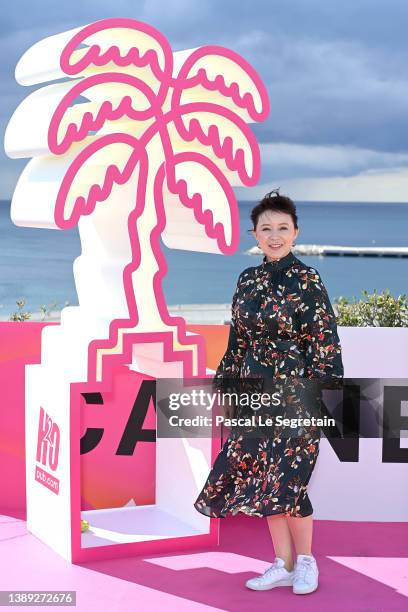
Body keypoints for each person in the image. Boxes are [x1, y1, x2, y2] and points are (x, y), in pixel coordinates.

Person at [194, 189, 344, 596]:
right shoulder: (247, 280)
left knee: (291, 481)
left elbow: (325, 343)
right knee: (264, 481)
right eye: (266, 229)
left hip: (297, 398)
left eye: (282, 227)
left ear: (295, 233)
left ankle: (307, 563)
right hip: (254, 397)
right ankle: (282, 563)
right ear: (255, 235)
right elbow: (237, 341)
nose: (274, 235)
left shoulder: (309, 280)